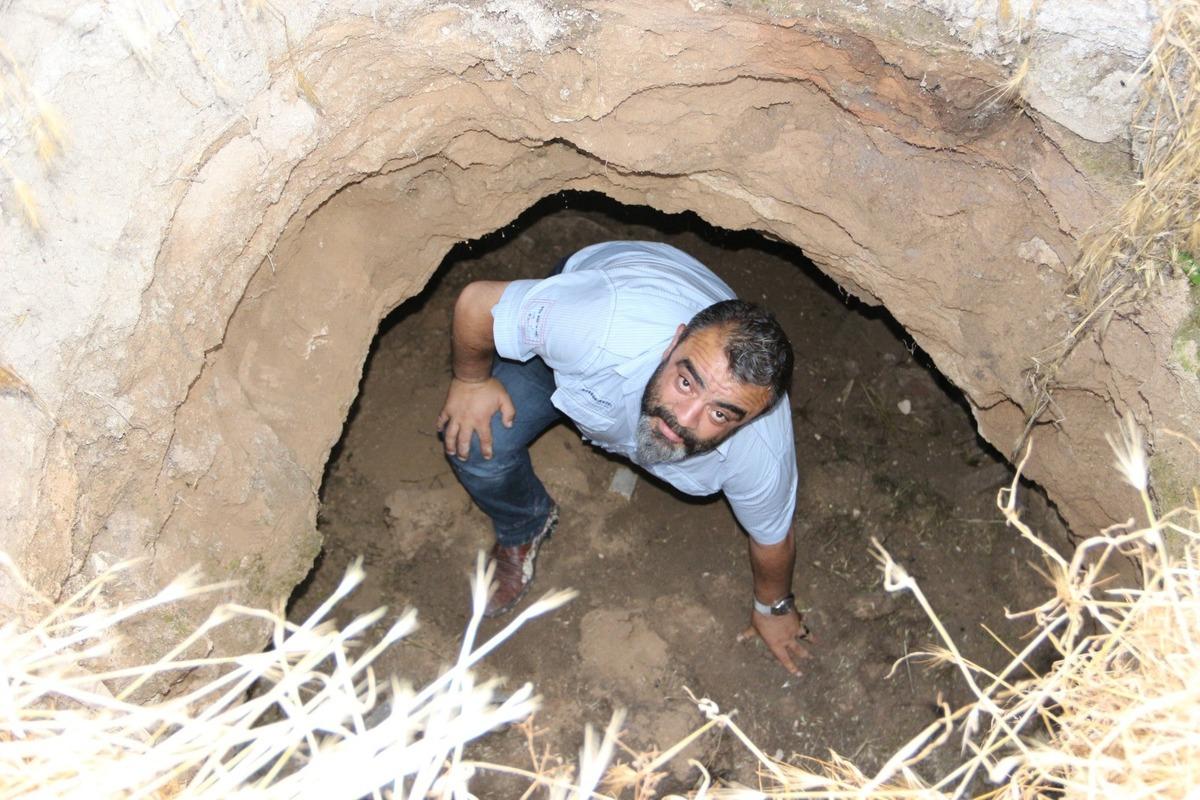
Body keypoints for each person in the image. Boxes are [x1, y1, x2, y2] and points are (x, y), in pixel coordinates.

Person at [435, 241, 810, 675]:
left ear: (753, 419)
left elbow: (772, 538)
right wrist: (471, 381)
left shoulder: (760, 452)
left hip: (642, 331)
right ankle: (525, 522)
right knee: (475, 441)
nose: (683, 419)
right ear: (673, 343)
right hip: (602, 302)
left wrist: (773, 608)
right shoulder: (593, 324)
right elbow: (478, 303)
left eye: (720, 414)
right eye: (686, 383)